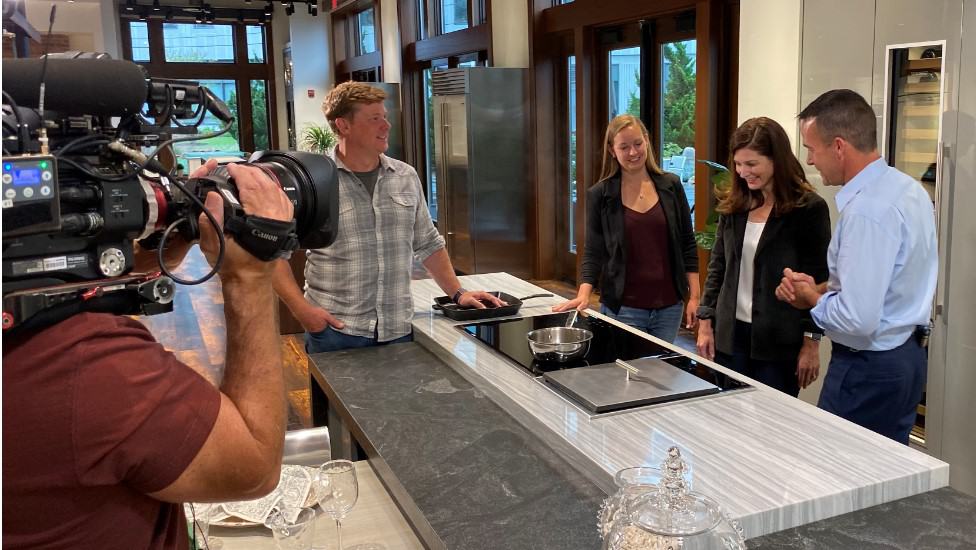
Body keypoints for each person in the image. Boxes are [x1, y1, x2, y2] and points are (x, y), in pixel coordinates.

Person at [2, 161, 293, 548]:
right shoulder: (84, 364)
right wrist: (250, 276)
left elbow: (63, 283)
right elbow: (253, 467)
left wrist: (160, 246)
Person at [273, 82, 502, 354]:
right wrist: (304, 312)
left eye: (385, 117)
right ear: (343, 125)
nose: (386, 125)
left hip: (397, 329)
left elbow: (427, 242)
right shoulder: (313, 182)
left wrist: (458, 293)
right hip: (336, 330)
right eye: (374, 119)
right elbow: (275, 254)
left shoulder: (405, 176)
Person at [776, 89, 937, 444]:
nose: (810, 161)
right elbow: (888, 282)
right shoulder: (909, 191)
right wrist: (821, 287)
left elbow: (857, 319)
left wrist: (810, 299)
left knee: (840, 470)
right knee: (887, 470)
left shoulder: (867, 211)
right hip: (906, 359)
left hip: (868, 370)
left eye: (811, 149)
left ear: (838, 146)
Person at [695, 117, 831, 396]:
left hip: (779, 344)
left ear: (776, 160)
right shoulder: (734, 204)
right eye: (738, 164)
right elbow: (718, 266)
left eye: (752, 164)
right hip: (730, 339)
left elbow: (819, 279)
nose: (743, 172)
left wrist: (812, 342)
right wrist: (705, 321)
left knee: (771, 421)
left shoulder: (808, 209)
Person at [553, 115, 699, 343]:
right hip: (623, 308)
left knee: (661, 366)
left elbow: (687, 243)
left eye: (638, 143)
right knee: (626, 365)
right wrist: (583, 294)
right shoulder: (600, 194)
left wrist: (695, 297)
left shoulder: (671, 185)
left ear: (647, 140)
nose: (633, 152)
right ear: (612, 150)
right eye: (624, 147)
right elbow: (593, 250)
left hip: (670, 308)